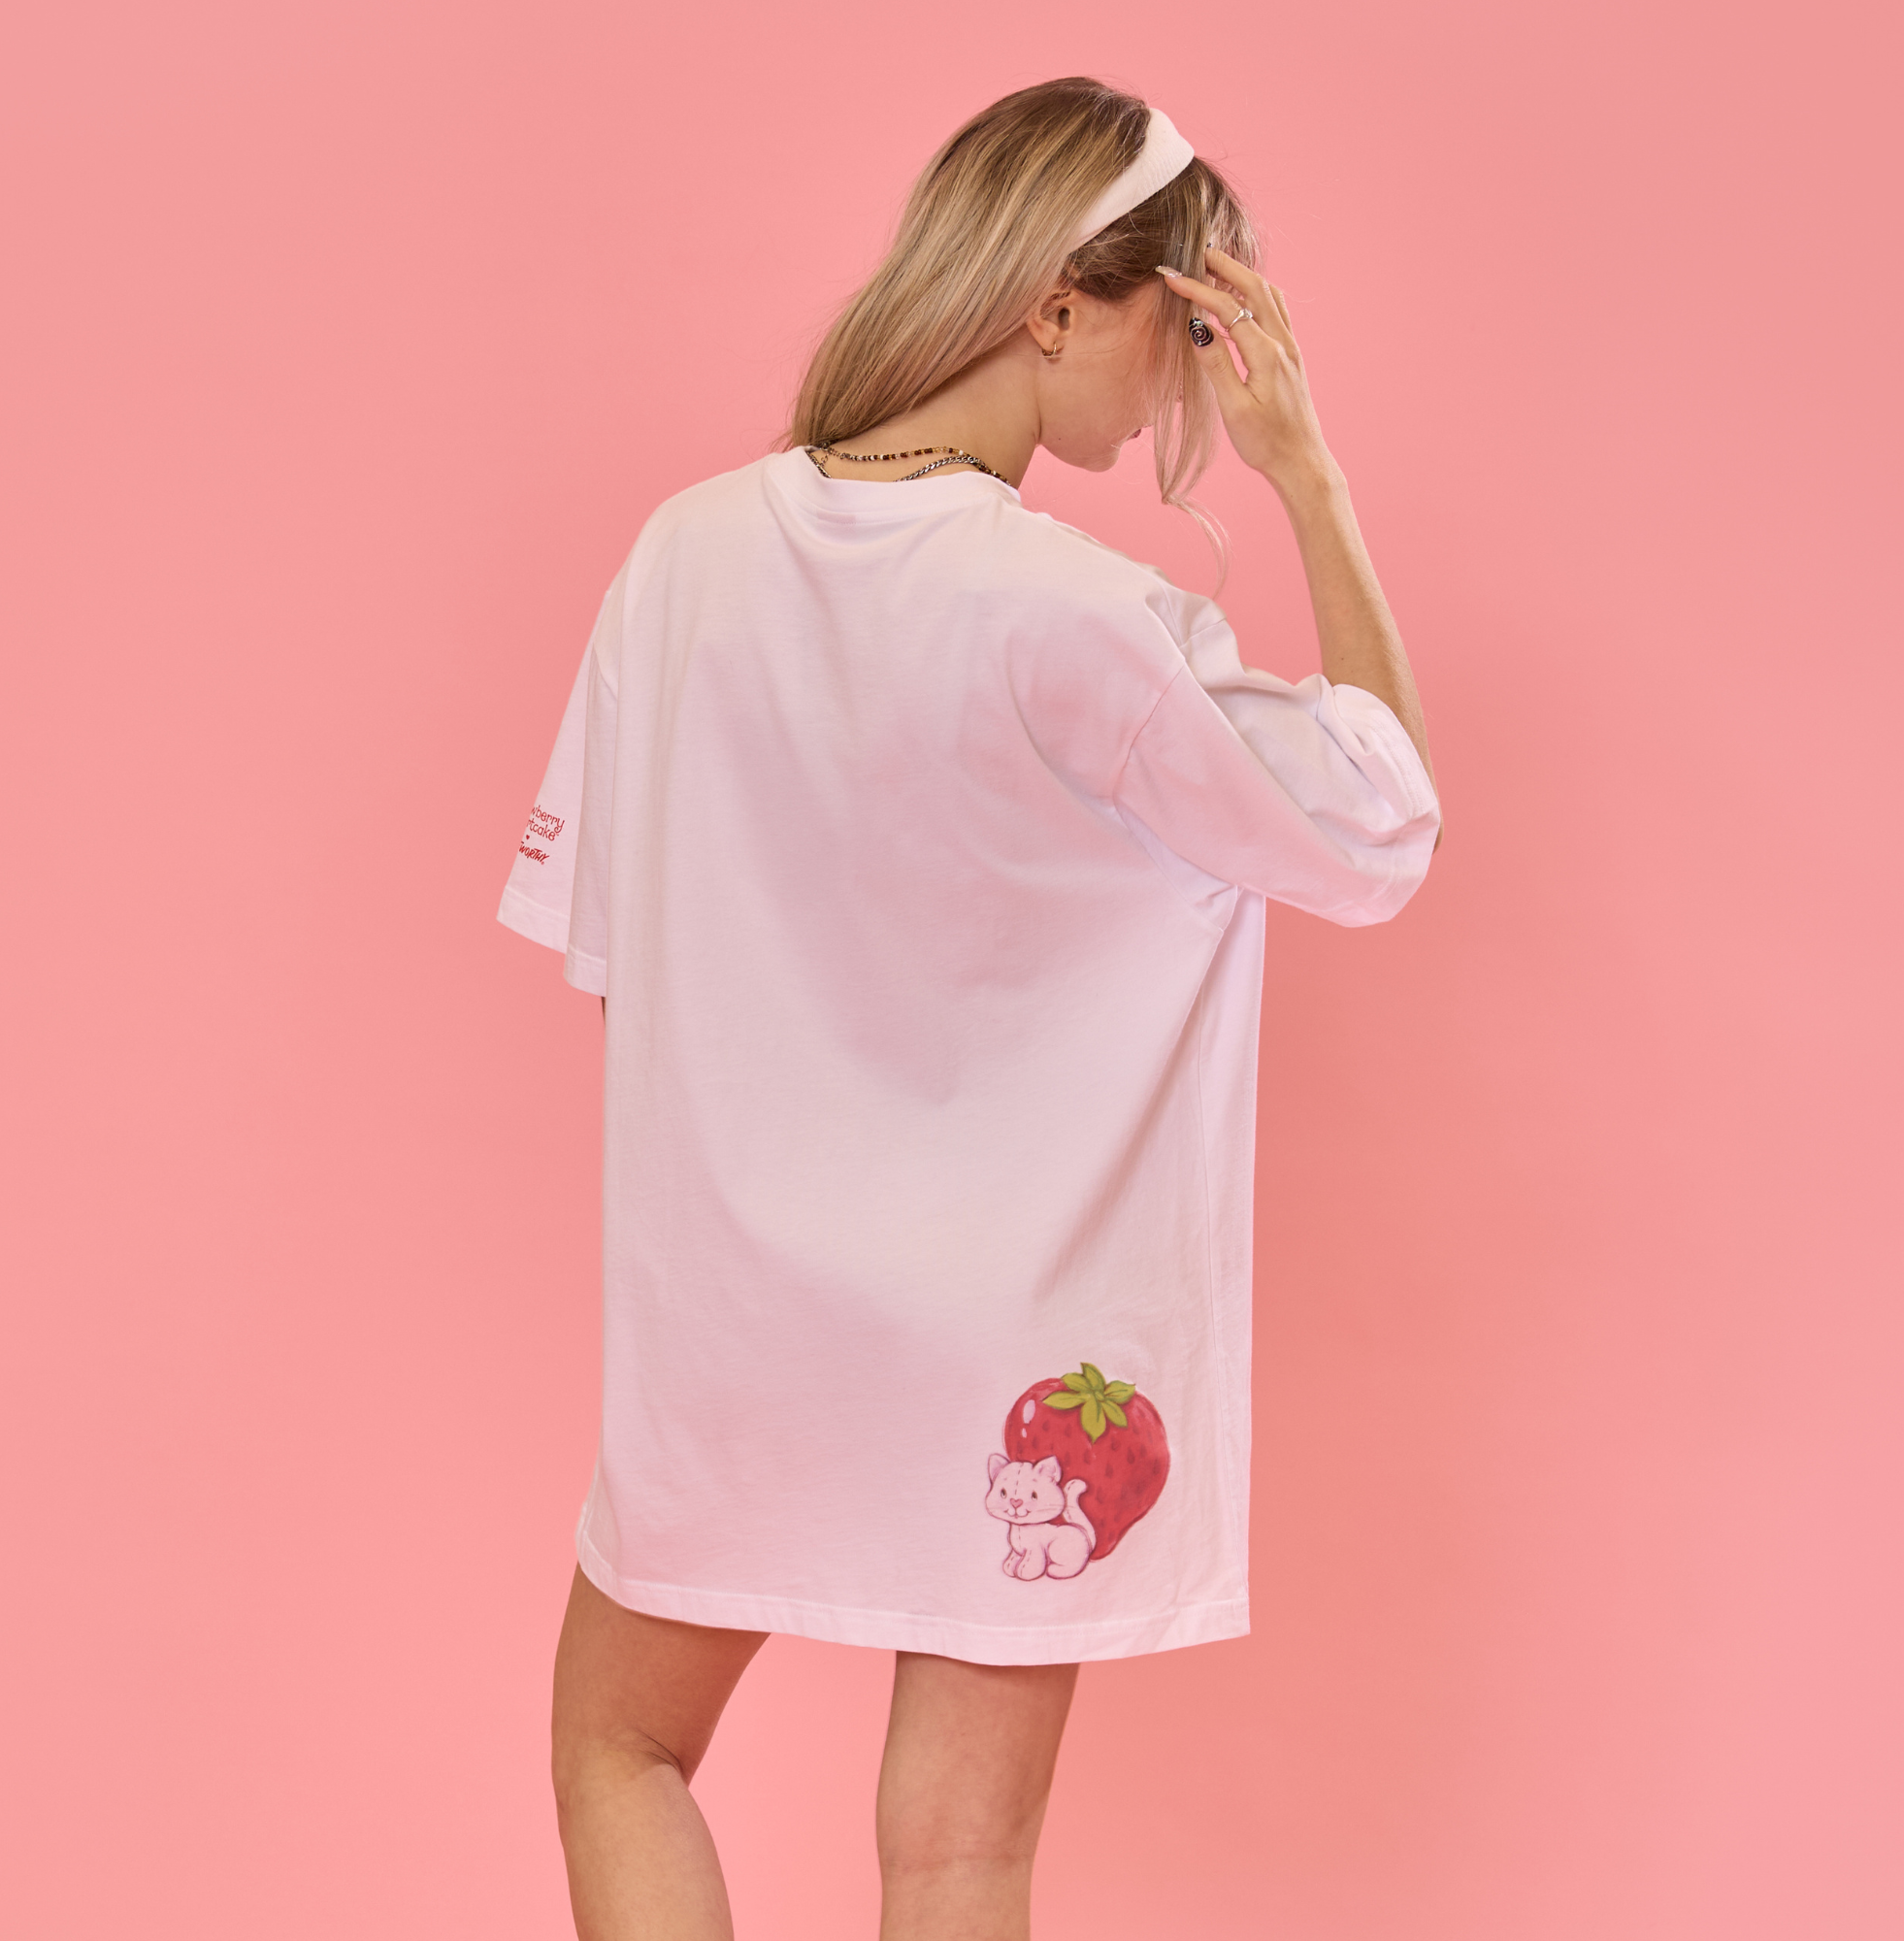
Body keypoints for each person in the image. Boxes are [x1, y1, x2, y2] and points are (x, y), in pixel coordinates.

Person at [497, 75, 1438, 1941]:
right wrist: (1309, 479)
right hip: (1021, 1360)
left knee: (622, 1751)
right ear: (1058, 304)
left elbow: (618, 961)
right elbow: (1377, 826)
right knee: (957, 1857)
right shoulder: (1086, 618)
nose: (1177, 395)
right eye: (1179, 330)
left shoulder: (682, 556)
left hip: (741, 1323)